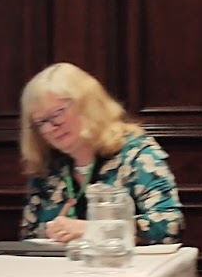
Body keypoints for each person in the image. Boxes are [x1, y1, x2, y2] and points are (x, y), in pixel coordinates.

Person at [19, 62, 182, 244]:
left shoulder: (135, 153)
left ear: (87, 104)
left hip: (122, 268)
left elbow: (169, 225)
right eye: (40, 122)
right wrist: (51, 233)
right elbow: (28, 237)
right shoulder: (49, 167)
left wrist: (93, 229)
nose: (50, 128)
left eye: (57, 114)